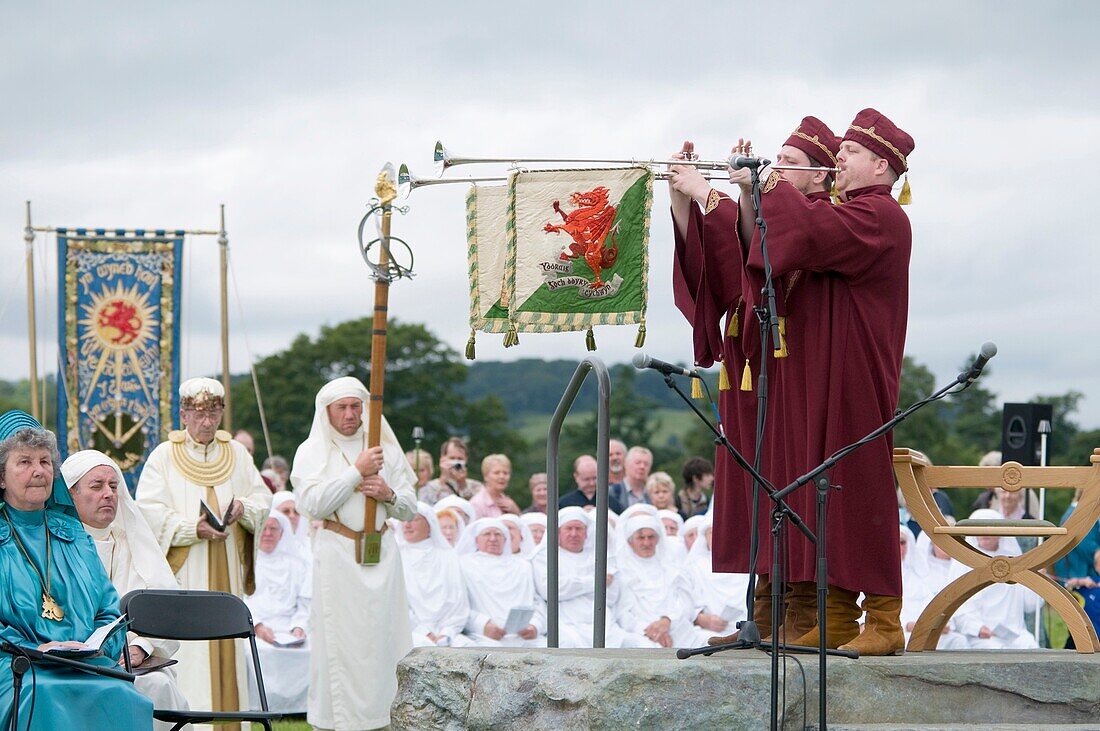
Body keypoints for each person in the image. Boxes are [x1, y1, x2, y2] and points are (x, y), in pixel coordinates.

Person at [702, 110, 914, 655]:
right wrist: (746, 195)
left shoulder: (882, 217)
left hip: (856, 374)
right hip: (826, 371)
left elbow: (813, 231)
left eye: (851, 153)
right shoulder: (854, 213)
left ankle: (880, 621)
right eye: (838, 152)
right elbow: (773, 251)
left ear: (882, 166)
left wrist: (763, 183)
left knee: (853, 487)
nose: (840, 157)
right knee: (813, 486)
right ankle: (807, 614)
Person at [668, 116, 843, 647]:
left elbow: (760, 254)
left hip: (787, 368)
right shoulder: (783, 210)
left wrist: (716, 196)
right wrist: (688, 197)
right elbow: (729, 268)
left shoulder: (822, 218)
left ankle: (796, 611)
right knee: (752, 483)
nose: (776, 168)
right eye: (779, 159)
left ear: (821, 177)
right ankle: (764, 612)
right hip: (750, 364)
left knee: (782, 479)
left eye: (789, 164)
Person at [0, 411, 153, 729]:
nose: (39, 471)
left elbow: (109, 611)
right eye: (25, 462)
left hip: (85, 665)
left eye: (44, 461)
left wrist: (92, 647)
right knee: (39, 693)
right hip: (15, 665)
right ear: (1, 476)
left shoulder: (74, 533)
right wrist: (36, 649)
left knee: (121, 692)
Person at [136, 377, 272, 716]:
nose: (207, 421)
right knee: (194, 660)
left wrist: (243, 507)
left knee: (229, 644)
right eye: (198, 413)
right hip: (187, 575)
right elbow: (148, 510)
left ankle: (232, 721)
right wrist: (190, 528)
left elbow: (263, 497)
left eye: (213, 412)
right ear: (183, 414)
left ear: (222, 412)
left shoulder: (237, 454)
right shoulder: (164, 456)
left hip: (228, 571)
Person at [290, 376, 418, 731]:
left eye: (355, 406)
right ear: (326, 412)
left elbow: (410, 508)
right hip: (338, 556)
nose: (350, 414)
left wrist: (388, 494)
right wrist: (355, 473)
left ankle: (385, 718)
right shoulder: (312, 451)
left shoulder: (385, 450)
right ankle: (338, 722)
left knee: (385, 641)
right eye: (342, 408)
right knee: (341, 645)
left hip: (382, 553)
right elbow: (312, 504)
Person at [62, 449, 189, 726]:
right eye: (96, 486)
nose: (108, 494)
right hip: (71, 663)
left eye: (113, 486)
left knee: (158, 685)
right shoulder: (53, 546)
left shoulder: (133, 545)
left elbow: (163, 611)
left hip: (132, 663)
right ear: (70, 494)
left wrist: (141, 647)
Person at [532, 507, 628, 648]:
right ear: (558, 532)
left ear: (586, 533)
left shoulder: (600, 557)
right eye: (568, 528)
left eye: (578, 529)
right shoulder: (545, 556)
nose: (574, 534)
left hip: (603, 624)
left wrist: (572, 587)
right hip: (565, 623)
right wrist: (595, 582)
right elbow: (551, 590)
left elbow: (611, 595)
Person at [245, 510, 311, 713]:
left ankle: (302, 708)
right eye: (264, 528)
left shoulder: (297, 564)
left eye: (273, 528)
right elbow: (241, 600)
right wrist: (258, 626)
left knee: (313, 649)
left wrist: (299, 626)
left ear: (282, 533)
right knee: (252, 651)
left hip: (290, 627)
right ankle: (259, 706)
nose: (268, 533)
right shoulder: (248, 564)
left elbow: (305, 603)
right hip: (255, 627)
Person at [951, 512, 1040, 649]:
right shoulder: (962, 563)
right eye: (980, 529)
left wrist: (1036, 579)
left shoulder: (1013, 560)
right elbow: (954, 604)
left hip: (1014, 634)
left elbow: (1031, 605)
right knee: (995, 650)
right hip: (978, 636)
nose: (985, 533)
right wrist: (977, 628)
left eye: (990, 528)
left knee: (1030, 645)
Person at [457, 518, 546, 646]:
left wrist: (535, 625)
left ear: (505, 540)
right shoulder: (463, 564)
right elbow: (458, 605)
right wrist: (483, 625)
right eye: (487, 534)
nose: (493, 539)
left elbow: (536, 601)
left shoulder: (523, 565)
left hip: (525, 636)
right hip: (483, 636)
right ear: (476, 540)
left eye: (498, 534)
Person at [613, 513, 697, 648]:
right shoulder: (621, 571)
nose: (646, 543)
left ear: (658, 539)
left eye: (651, 537)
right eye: (641, 538)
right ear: (630, 541)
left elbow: (686, 605)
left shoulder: (672, 569)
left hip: (676, 628)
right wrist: (652, 632)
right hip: (640, 634)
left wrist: (668, 621)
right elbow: (622, 614)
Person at [397, 502, 473, 648]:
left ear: (429, 523)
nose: (407, 525)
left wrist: (448, 632)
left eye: (413, 519)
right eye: (403, 520)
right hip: (410, 631)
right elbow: (397, 602)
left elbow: (459, 599)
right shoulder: (396, 555)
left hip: (448, 632)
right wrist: (424, 632)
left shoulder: (448, 555)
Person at [685, 515, 751, 645]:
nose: (718, 537)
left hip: (746, 629)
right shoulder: (693, 567)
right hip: (707, 630)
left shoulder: (746, 564)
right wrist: (701, 619)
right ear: (704, 537)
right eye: (712, 532)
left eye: (723, 533)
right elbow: (683, 604)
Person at [419, 437, 483, 504]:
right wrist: (443, 479)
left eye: (460, 459)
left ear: (466, 460)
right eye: (452, 458)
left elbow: (474, 508)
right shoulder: (429, 487)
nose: (456, 462)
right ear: (443, 458)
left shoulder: (476, 486)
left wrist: (463, 485)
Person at [469, 453, 521, 518]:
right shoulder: (477, 504)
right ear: (486, 476)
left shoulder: (509, 503)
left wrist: (516, 512)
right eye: (496, 473)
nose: (502, 476)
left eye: (505, 473)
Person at [271, 490, 311, 563]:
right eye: (286, 511)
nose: (292, 516)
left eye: (296, 512)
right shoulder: (265, 545)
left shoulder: (310, 547)